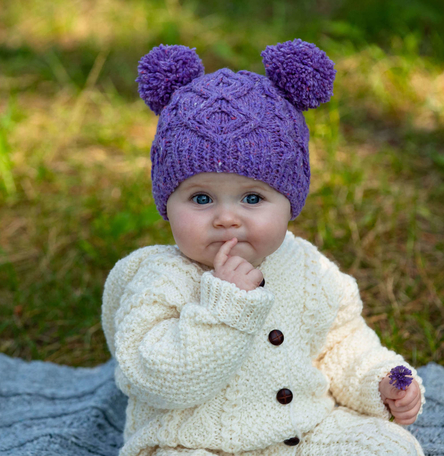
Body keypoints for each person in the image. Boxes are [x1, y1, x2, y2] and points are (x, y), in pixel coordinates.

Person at [101, 39, 425, 456]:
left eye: (252, 198)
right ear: (167, 204)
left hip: (306, 432)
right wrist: (226, 308)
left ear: (291, 202)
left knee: (390, 446)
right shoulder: (156, 278)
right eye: (201, 199)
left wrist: (380, 381)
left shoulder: (308, 267)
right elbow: (153, 378)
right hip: (195, 441)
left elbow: (343, 345)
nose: (227, 218)